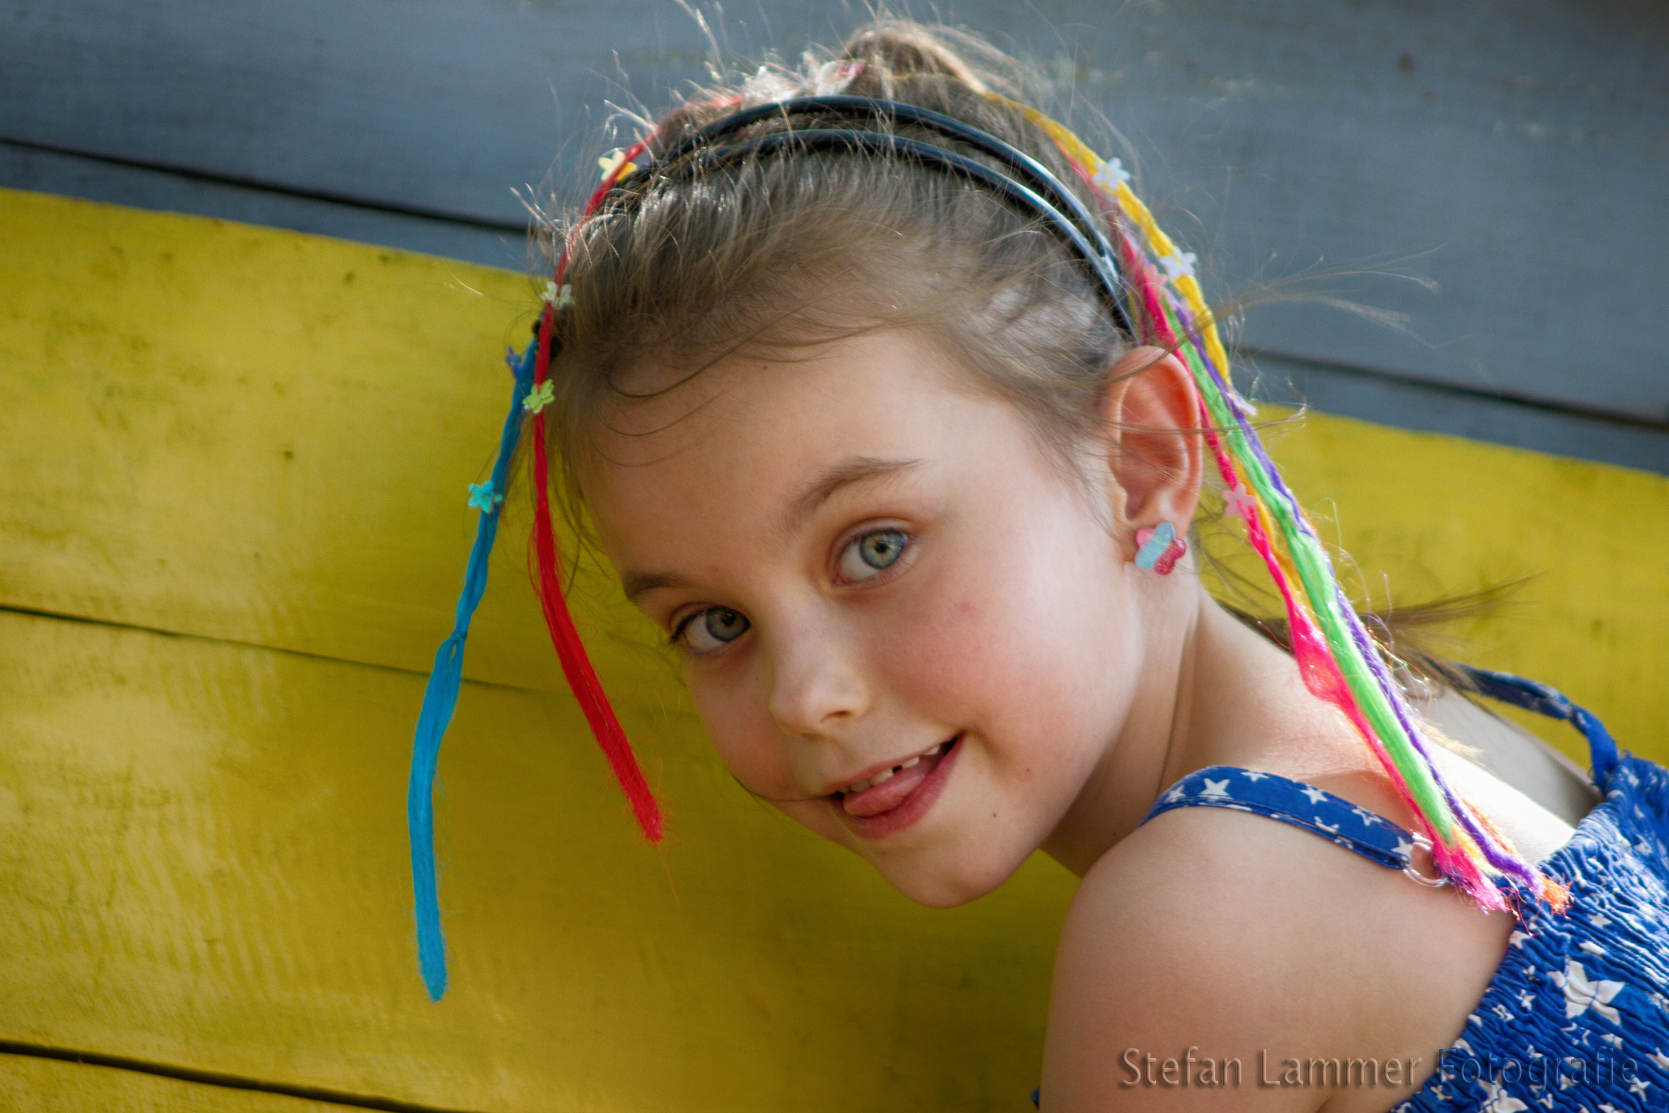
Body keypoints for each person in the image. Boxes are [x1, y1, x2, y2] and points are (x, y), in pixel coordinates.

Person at [406, 19, 1669, 1111]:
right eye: (712, 624)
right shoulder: (1466, 739)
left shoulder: (1205, 918)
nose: (805, 698)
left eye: (875, 547)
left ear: (1141, 462)